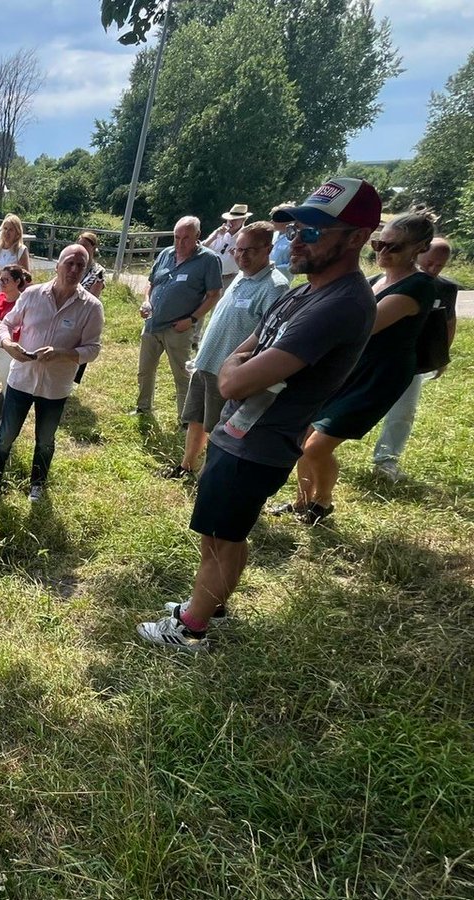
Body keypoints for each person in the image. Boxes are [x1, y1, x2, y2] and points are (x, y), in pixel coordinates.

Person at [136, 176, 381, 653]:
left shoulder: (339, 304)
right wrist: (239, 363)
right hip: (242, 431)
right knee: (224, 531)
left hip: (259, 440)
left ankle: (191, 629)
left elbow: (234, 379)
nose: (297, 239)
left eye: (313, 231)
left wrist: (236, 367)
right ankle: (211, 604)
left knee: (219, 536)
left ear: (356, 238)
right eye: (297, 228)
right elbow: (248, 349)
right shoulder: (307, 292)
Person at [282, 208, 438, 522]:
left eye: (394, 247)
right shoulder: (375, 280)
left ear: (420, 248)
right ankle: (301, 502)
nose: (383, 252)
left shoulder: (418, 286)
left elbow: (364, 324)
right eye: (379, 244)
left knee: (316, 447)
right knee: (302, 438)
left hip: (377, 377)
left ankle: (322, 504)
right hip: (348, 368)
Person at [159, 221, 290, 479]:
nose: (241, 256)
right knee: (195, 418)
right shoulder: (241, 277)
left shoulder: (275, 287)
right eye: (238, 250)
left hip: (228, 372)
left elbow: (269, 339)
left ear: (268, 248)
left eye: (249, 250)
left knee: (218, 429)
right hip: (206, 363)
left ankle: (209, 477)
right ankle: (186, 466)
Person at [0, 244, 104, 504]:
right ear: (57, 264)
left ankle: (37, 485)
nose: (73, 270)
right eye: (69, 263)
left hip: (55, 386)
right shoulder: (32, 295)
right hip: (21, 379)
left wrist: (62, 353)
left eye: (80, 265)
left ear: (86, 270)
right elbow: (7, 323)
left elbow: (93, 349)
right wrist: (6, 344)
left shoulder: (91, 307)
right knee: (5, 435)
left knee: (46, 440)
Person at [371, 237, 460, 481]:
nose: (432, 270)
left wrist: (441, 357)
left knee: (404, 411)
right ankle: (315, 448)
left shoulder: (445, 288)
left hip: (412, 360)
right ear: (416, 253)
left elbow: (447, 322)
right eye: (429, 263)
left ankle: (386, 459)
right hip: (372, 359)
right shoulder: (377, 284)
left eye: (439, 266)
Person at [135, 216, 223, 418]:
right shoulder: (166, 253)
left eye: (186, 238)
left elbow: (213, 295)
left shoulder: (208, 260)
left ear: (198, 236)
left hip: (179, 328)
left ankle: (185, 418)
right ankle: (142, 408)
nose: (180, 243)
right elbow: (151, 283)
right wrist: (146, 301)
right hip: (152, 324)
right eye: (176, 237)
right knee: (145, 371)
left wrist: (191, 320)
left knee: (182, 375)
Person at [0, 265, 31, 391]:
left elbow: (18, 331)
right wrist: (3, 326)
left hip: (9, 349)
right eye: (0, 279)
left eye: (6, 280)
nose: (1, 283)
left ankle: (5, 409)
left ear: (17, 281)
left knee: (7, 384)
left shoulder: (23, 303)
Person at [0, 214, 31, 302]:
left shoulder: (21, 250)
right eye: (5, 229)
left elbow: (26, 277)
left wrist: (3, 276)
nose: (7, 232)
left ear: (17, 233)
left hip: (9, 295)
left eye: (11, 230)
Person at [205, 203, 251, 289]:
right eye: (229, 219)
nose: (230, 222)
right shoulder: (219, 232)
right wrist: (214, 235)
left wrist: (237, 255)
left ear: (243, 220)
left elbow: (250, 262)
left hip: (231, 278)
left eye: (235, 220)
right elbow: (203, 248)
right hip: (212, 277)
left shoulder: (246, 235)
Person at [269, 202, 295, 280]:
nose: (271, 222)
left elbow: (292, 264)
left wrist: (272, 268)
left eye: (275, 219)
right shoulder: (274, 235)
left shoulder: (294, 238)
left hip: (282, 280)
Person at [77, 231, 106, 299]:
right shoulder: (71, 266)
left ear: (93, 247)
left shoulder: (99, 271)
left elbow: (93, 298)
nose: (81, 248)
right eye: (79, 245)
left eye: (85, 245)